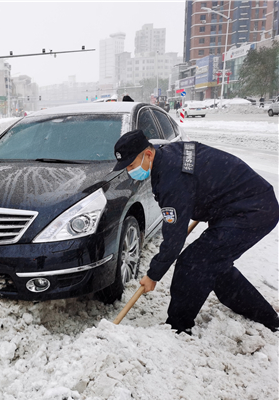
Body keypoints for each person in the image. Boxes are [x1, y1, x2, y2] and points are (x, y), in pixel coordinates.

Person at [112, 129, 279, 334]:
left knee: (194, 263)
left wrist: (153, 274)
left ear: (148, 154)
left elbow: (174, 239)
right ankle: (266, 317)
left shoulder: (171, 178)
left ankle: (178, 328)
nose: (130, 171)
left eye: (131, 165)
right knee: (213, 264)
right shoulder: (167, 156)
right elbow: (201, 172)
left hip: (252, 211)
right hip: (241, 204)